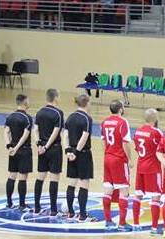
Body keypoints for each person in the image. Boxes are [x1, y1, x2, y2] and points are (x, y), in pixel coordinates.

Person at [100, 100, 134, 231]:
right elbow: (126, 143)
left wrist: (107, 153)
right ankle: (122, 223)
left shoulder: (105, 122)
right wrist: (130, 159)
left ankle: (108, 221)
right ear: (120, 109)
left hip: (107, 157)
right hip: (119, 159)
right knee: (124, 191)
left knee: (108, 190)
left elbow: (103, 140)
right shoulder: (122, 122)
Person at [33, 89, 64, 216]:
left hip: (42, 150)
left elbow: (35, 130)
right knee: (54, 179)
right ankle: (53, 209)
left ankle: (36, 207)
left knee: (40, 177)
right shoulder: (58, 113)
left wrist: (39, 144)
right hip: (54, 148)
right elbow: (56, 132)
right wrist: (46, 146)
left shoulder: (39, 112)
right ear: (55, 97)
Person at [64, 94, 94, 222]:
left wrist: (68, 151)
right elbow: (84, 136)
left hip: (71, 153)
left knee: (71, 183)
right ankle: (82, 215)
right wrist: (76, 152)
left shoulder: (70, 117)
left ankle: (70, 212)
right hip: (82, 153)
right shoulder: (87, 119)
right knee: (84, 184)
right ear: (86, 103)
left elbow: (65, 135)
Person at [133, 108, 163, 234]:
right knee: (156, 196)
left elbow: (137, 148)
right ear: (155, 119)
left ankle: (135, 224)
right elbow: (163, 149)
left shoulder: (137, 131)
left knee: (138, 194)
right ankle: (154, 228)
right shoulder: (156, 132)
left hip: (140, 166)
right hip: (153, 168)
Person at [4, 94, 33, 212]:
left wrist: (9, 146)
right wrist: (16, 148)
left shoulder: (10, 116)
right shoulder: (27, 118)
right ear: (25, 103)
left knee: (12, 175)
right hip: (24, 150)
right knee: (22, 177)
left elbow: (6, 132)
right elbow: (24, 136)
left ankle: (9, 202)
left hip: (13, 151)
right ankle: (22, 204)